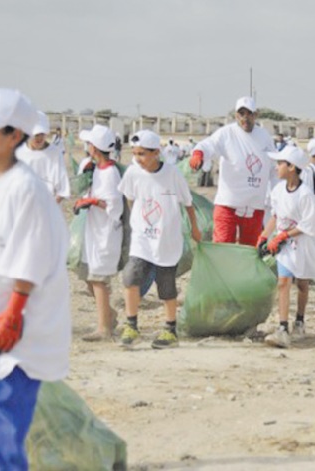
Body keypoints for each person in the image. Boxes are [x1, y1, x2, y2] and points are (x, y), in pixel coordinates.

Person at [0, 88, 71, 470]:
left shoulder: (26, 189)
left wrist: (13, 313)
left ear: (14, 135)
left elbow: (31, 257)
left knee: (4, 418)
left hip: (18, 324)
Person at [119, 130, 201, 349]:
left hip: (166, 240)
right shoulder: (133, 173)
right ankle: (131, 325)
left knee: (166, 286)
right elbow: (130, 199)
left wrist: (194, 228)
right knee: (130, 276)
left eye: (143, 154)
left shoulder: (172, 174)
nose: (138, 159)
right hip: (141, 239)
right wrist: (138, 225)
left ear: (157, 152)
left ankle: (170, 329)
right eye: (135, 154)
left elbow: (188, 203)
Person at [258, 146, 315, 348]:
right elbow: (276, 216)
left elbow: (311, 223)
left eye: (280, 163)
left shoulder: (305, 195)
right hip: (284, 246)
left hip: (302, 244)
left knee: (302, 284)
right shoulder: (278, 190)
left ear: (292, 167)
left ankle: (300, 319)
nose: (277, 167)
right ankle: (282, 327)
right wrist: (264, 236)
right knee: (283, 282)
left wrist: (285, 235)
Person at [190, 97, 276, 245]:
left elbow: (273, 168)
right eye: (241, 114)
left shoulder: (264, 137)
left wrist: (278, 195)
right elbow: (209, 144)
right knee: (223, 247)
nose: (245, 118)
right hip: (228, 205)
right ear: (236, 116)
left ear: (256, 115)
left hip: (254, 207)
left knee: (249, 252)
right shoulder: (227, 133)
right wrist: (199, 153)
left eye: (249, 114)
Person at [75, 125, 124, 341]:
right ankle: (108, 316)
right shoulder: (97, 170)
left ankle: (104, 328)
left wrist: (92, 201)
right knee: (89, 274)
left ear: (94, 148)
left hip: (106, 232)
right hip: (95, 230)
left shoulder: (110, 173)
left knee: (99, 279)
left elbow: (115, 206)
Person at [15, 111, 71, 203]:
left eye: (42, 134)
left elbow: (62, 189)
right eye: (36, 135)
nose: (39, 138)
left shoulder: (55, 154)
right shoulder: (18, 153)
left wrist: (48, 207)